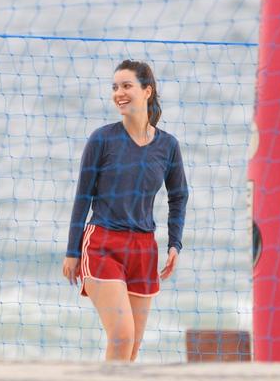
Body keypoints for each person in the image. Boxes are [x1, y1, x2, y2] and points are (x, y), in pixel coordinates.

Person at [62, 59, 189, 362]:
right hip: (103, 243)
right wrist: (72, 251)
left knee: (131, 350)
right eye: (115, 87)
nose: (119, 92)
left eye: (126, 86)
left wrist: (174, 244)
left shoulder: (168, 146)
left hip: (145, 249)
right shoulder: (102, 139)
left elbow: (179, 195)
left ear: (148, 91)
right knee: (121, 336)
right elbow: (83, 197)